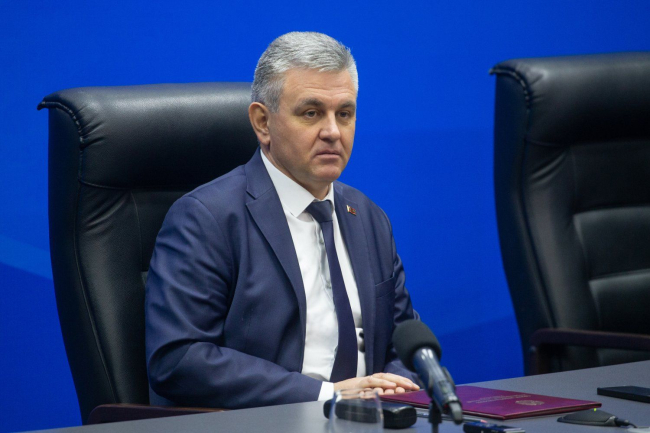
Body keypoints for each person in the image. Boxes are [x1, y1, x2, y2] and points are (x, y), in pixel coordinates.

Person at [145, 31, 420, 410]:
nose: (332, 132)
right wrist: (327, 396)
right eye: (311, 113)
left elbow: (405, 340)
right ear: (262, 122)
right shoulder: (206, 218)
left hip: (369, 421)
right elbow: (179, 359)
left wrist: (396, 386)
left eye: (344, 114)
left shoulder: (369, 217)